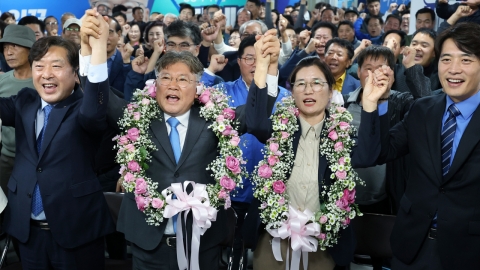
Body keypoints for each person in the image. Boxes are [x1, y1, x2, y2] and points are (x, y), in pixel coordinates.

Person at [243, 31, 384, 270]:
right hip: (273, 241)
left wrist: (370, 106)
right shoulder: (281, 128)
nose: (308, 90)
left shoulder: (340, 134)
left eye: (317, 83)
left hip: (322, 246)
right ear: (292, 92)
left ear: (330, 92)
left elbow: (369, 155)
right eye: (301, 84)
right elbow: (255, 123)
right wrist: (263, 66)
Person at [1, 9, 115, 268]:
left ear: (75, 74)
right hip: (27, 233)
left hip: (77, 232)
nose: (46, 74)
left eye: (56, 66)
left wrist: (96, 49)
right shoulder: (25, 101)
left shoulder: (84, 109)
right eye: (39, 66)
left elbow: (96, 101)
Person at [366, 22, 480, 269]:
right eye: (446, 59)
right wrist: (377, 103)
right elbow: (378, 152)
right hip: (411, 247)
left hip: (469, 252)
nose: (453, 69)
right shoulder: (423, 108)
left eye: (466, 60)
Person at [203, 35, 290, 270]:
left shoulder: (285, 97)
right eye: (249, 58)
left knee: (266, 259)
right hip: (229, 194)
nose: (254, 64)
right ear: (239, 61)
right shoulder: (221, 92)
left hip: (269, 194)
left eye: (261, 58)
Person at [0, 25, 36, 200]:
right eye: (5, 47)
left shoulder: (43, 82)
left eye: (15, 46)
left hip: (35, 160)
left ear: (31, 48)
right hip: (6, 158)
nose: (9, 52)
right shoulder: (2, 80)